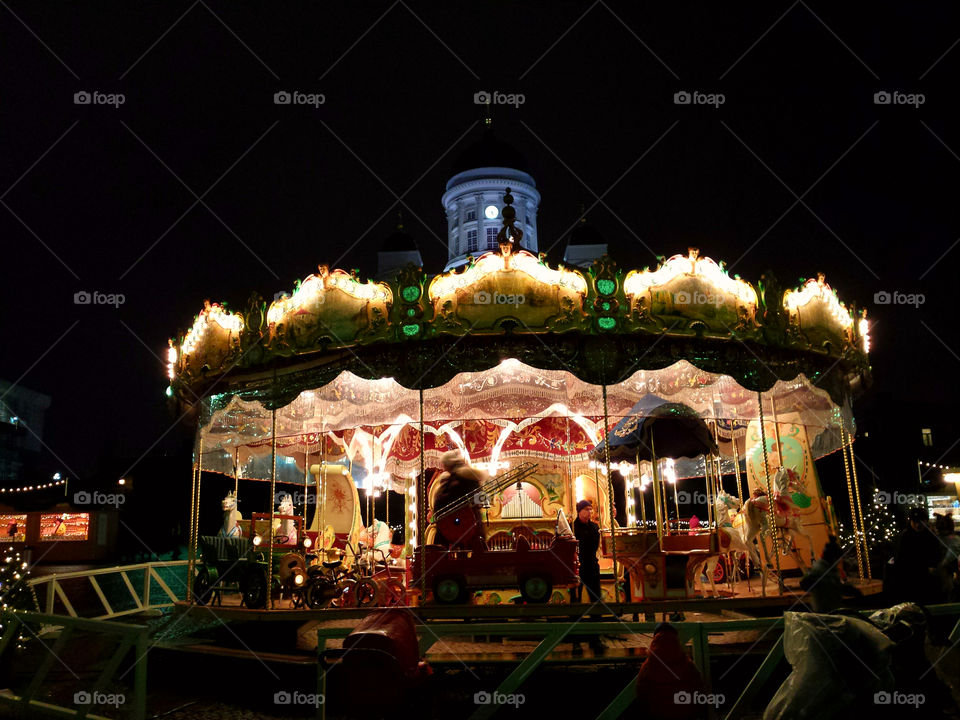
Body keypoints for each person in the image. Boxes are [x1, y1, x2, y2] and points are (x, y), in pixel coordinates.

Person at [635, 623, 705, 720]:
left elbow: (641, 693)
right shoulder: (688, 665)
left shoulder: (648, 666)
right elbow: (699, 689)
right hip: (684, 714)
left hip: (657, 715)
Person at [431, 451, 484, 547]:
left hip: (458, 521)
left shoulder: (457, 478)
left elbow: (445, 500)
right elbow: (481, 500)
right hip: (472, 519)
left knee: (442, 542)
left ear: (448, 465)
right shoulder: (470, 476)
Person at [799, 535, 862, 612]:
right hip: (825, 609)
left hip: (831, 607)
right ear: (833, 557)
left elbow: (835, 586)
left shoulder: (829, 567)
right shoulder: (821, 569)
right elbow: (833, 586)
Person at [892, 507, 941, 604]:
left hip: (927, 578)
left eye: (921, 521)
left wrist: (932, 566)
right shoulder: (905, 536)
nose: (918, 525)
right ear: (910, 522)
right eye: (915, 521)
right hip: (909, 578)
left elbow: (935, 553)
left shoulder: (931, 535)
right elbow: (900, 558)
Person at [573, 499, 601, 603]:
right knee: (576, 596)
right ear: (579, 511)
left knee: (596, 595)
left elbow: (595, 545)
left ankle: (597, 616)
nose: (589, 512)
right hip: (578, 566)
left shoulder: (594, 527)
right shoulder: (573, 527)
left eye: (591, 509)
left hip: (591, 564)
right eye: (586, 509)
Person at [934, 513, 960, 601]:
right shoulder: (939, 537)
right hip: (941, 568)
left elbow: (953, 551)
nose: (942, 532)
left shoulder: (953, 538)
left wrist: (944, 562)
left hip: (949, 568)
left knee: (950, 587)